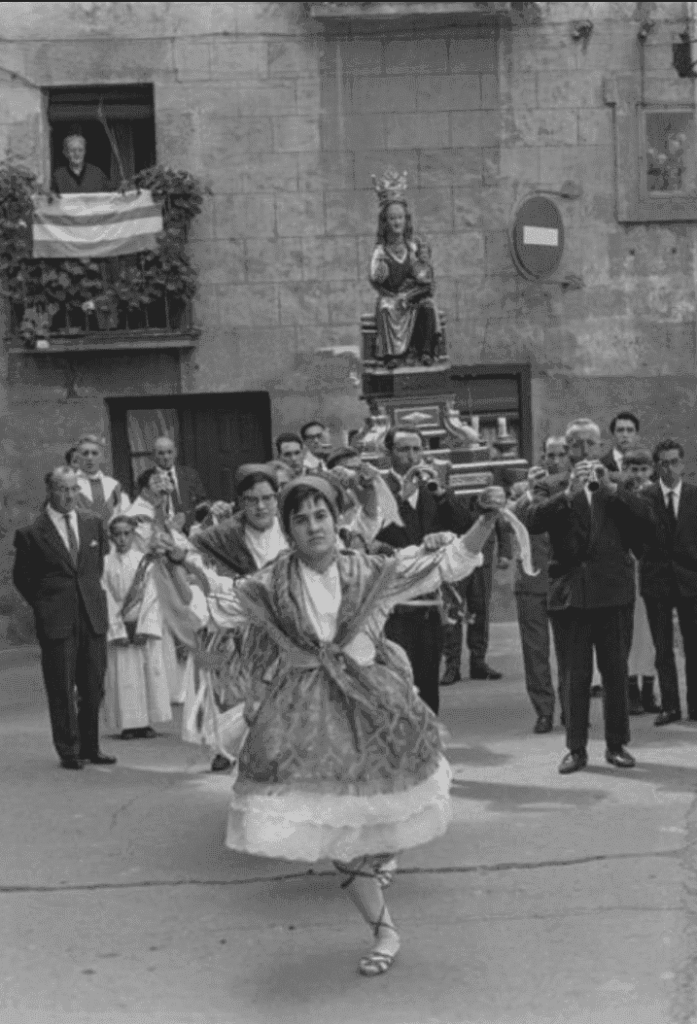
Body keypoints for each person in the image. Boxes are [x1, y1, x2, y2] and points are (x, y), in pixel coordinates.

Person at [163, 475, 507, 977]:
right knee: (338, 836)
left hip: (374, 708)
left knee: (375, 823)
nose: (312, 527)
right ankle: (384, 927)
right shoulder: (270, 584)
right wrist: (178, 566)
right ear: (289, 530)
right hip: (307, 719)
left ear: (334, 519)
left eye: (320, 515)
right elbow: (216, 604)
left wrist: (486, 520)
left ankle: (382, 862)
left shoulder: (370, 570)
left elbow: (445, 563)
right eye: (300, 520)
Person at [525, 418, 651, 774]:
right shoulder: (552, 486)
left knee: (615, 673)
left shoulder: (620, 482)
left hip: (613, 594)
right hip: (571, 597)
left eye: (588, 444)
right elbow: (532, 520)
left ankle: (616, 745)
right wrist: (567, 496)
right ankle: (576, 748)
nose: (582, 451)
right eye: (574, 445)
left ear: (599, 447)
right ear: (567, 451)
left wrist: (613, 490)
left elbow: (646, 520)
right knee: (574, 676)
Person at [12, 467, 116, 769]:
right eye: (62, 489)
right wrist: (46, 604)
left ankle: (90, 746)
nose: (69, 495)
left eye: (74, 489)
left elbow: (95, 567)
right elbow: (24, 578)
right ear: (50, 491)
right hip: (57, 620)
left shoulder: (93, 523)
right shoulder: (32, 533)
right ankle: (69, 749)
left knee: (93, 685)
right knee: (61, 685)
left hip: (92, 615)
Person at [376, 429, 457, 714]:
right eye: (403, 450)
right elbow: (370, 536)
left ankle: (431, 749)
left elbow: (462, 525)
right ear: (388, 454)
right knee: (398, 685)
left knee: (428, 684)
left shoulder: (432, 488)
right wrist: (401, 497)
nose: (412, 457)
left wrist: (443, 495)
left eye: (416, 449)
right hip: (393, 608)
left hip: (429, 606)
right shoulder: (377, 487)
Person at [511, 437, 571, 733]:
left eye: (562, 454)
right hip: (531, 580)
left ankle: (571, 709)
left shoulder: (571, 488)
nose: (556, 460)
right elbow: (508, 520)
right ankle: (544, 710)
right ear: (542, 457)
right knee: (535, 652)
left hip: (564, 578)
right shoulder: (525, 491)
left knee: (570, 651)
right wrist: (529, 493)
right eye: (551, 455)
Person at [639, 439, 697, 725]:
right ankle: (671, 706)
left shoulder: (694, 496)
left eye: (675, 462)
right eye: (664, 463)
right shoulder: (645, 498)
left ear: (682, 464)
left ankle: (695, 706)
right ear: (656, 466)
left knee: (694, 645)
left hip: (691, 581)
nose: (670, 468)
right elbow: (636, 540)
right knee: (662, 648)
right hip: (657, 581)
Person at [126, 467, 192, 705]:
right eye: (158, 486)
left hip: (166, 573)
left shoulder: (158, 510)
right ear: (145, 488)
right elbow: (144, 546)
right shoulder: (136, 515)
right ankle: (161, 687)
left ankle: (175, 686)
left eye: (166, 489)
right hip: (148, 576)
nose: (164, 493)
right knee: (159, 629)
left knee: (174, 625)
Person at [102, 516, 171, 740]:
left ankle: (146, 722)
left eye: (126, 534)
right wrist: (116, 629)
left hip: (142, 624)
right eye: (117, 534)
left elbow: (152, 596)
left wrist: (145, 628)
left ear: (133, 535)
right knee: (124, 676)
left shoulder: (145, 562)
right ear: (111, 537)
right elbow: (105, 598)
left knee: (147, 673)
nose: (122, 539)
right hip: (119, 625)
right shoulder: (104, 564)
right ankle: (128, 724)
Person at [369, 170, 441, 369]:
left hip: (411, 298)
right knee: (385, 307)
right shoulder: (381, 250)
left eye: (400, 218)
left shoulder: (413, 247)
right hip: (392, 297)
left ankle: (425, 351)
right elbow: (376, 277)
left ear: (406, 219)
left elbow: (425, 279)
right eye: (392, 219)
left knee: (427, 306)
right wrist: (382, 271)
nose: (397, 222)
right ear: (385, 222)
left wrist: (421, 276)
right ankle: (392, 355)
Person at [622, 448, 660, 716]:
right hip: (624, 573)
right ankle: (630, 690)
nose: (638, 475)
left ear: (651, 471)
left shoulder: (658, 497)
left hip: (652, 571)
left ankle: (649, 688)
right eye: (633, 470)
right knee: (628, 634)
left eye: (643, 469)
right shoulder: (618, 497)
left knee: (650, 634)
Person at [152, 435, 207, 532]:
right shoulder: (146, 478)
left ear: (175, 453)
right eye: (161, 453)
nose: (166, 457)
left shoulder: (190, 474)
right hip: (162, 530)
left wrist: (188, 517)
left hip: (190, 527)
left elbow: (202, 502)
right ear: (154, 455)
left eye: (169, 452)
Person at [75, 434, 129, 522]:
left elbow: (125, 516)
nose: (90, 457)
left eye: (94, 453)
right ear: (77, 458)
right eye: (85, 453)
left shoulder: (113, 485)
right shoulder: (70, 484)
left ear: (102, 457)